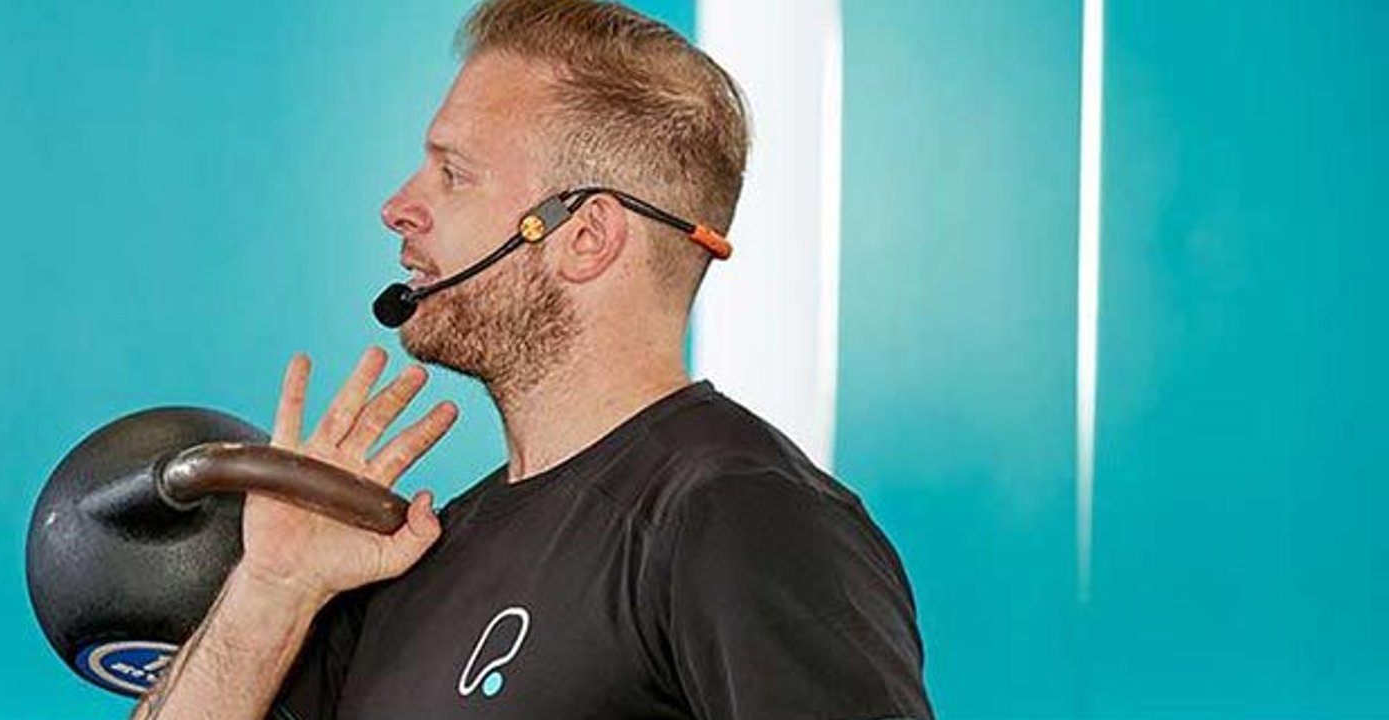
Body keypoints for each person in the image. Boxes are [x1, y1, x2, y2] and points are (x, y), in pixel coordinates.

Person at [131, 1, 930, 718]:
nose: (399, 206)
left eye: (454, 174)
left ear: (584, 238)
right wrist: (273, 590)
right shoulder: (413, 555)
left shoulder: (739, 514)